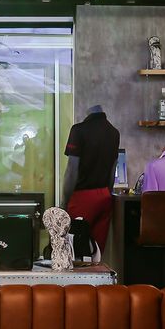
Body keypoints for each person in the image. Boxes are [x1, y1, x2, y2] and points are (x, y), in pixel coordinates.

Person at [61, 105, 120, 250]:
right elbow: (113, 168)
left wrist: (64, 202)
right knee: (98, 250)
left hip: (82, 197)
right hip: (105, 196)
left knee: (76, 249)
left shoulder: (78, 130)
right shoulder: (114, 132)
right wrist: (108, 193)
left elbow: (71, 170)